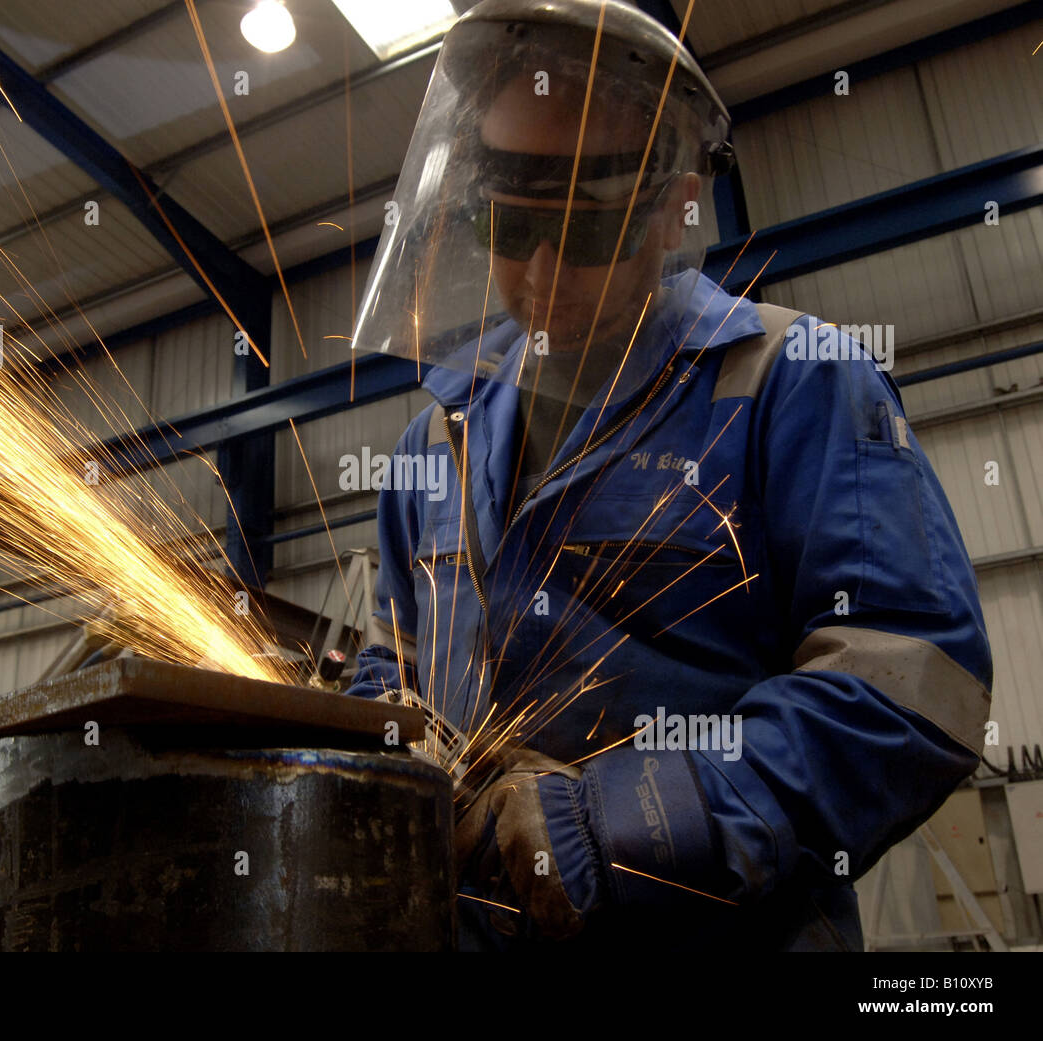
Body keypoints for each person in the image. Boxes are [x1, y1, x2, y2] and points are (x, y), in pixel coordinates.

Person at [344, 0, 992, 951]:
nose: (544, 268)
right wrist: (376, 745)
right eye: (509, 226)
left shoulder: (791, 383)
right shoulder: (431, 445)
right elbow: (388, 669)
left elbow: (909, 685)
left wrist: (626, 823)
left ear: (671, 203)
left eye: (588, 228)